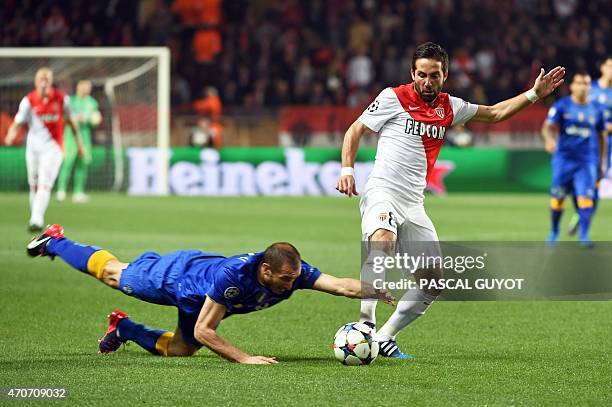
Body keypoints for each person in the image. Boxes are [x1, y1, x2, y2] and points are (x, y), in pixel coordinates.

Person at [335, 42, 565, 359]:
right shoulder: (393, 97)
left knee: (433, 283)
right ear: (412, 73)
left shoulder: (450, 107)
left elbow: (495, 113)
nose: (427, 82)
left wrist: (535, 94)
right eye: (421, 75)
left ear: (445, 74)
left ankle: (385, 337)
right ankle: (365, 325)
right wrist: (347, 169)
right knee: (382, 240)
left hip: (414, 203)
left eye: (434, 75)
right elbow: (355, 129)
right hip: (382, 190)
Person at [26, 224, 394, 364]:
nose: (291, 284)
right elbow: (206, 330)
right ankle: (56, 241)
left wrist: (373, 288)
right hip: (175, 277)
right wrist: (245, 358)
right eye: (285, 279)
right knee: (112, 274)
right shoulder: (233, 277)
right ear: (266, 271)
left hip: (199, 297)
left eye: (294, 278)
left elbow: (340, 285)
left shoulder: (291, 273)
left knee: (181, 350)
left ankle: (124, 329)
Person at [4, 67, 84, 232]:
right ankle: (35, 216)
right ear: (35, 81)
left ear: (51, 81)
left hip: (53, 148)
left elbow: (72, 122)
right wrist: (11, 135)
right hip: (33, 148)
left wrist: (79, 144)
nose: (44, 81)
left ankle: (37, 219)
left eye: (47, 78)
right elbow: (18, 122)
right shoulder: (29, 101)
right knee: (33, 184)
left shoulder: (62, 99)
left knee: (44, 183)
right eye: (41, 78)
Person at [542, 72, 607, 247]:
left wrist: (601, 162)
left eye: (586, 83)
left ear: (590, 88)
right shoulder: (562, 106)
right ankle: (554, 231)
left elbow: (602, 136)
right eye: (579, 83)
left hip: (587, 161)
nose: (583, 87)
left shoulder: (597, 109)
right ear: (572, 86)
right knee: (558, 197)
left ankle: (584, 235)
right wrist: (549, 140)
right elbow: (548, 126)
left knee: (586, 197)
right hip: (564, 159)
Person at [567, 57, 611, 236]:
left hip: (604, 144)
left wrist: (604, 127)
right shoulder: (588, 87)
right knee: (572, 183)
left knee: (595, 184)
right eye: (609, 65)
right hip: (582, 142)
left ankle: (583, 218)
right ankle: (580, 210)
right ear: (602, 67)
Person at [56, 79, 102, 203]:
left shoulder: (92, 103)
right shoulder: (70, 101)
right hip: (70, 137)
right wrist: (72, 119)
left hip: (85, 137)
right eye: (84, 86)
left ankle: (78, 192)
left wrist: (93, 120)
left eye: (89, 87)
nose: (87, 89)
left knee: (83, 164)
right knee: (67, 163)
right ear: (78, 87)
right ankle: (61, 191)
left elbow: (95, 119)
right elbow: (62, 118)